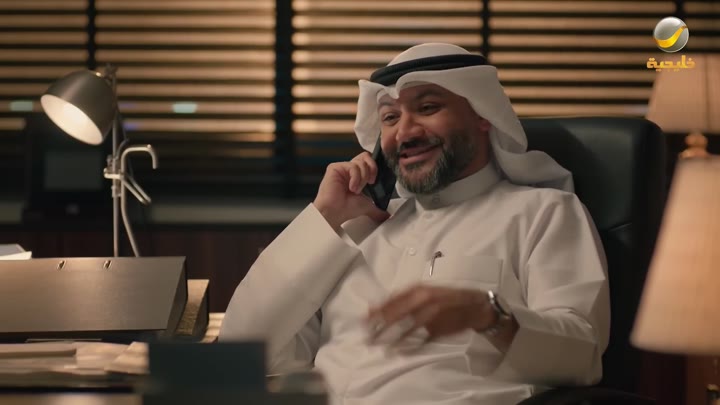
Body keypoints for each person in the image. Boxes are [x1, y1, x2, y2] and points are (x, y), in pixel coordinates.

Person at [219, 43, 610, 405]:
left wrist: (488, 314)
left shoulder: (544, 212)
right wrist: (324, 216)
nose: (404, 133)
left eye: (427, 108)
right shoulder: (358, 231)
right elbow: (242, 349)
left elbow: (582, 356)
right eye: (390, 118)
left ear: (483, 115)